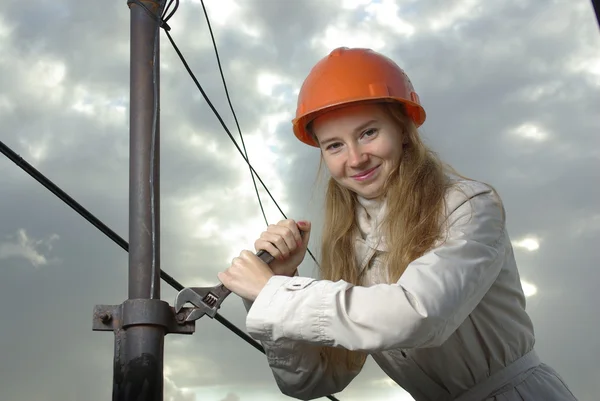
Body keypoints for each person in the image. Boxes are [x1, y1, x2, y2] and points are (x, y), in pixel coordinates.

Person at [217, 47, 578, 401]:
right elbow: (311, 382)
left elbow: (418, 316)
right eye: (334, 146)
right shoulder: (349, 245)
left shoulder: (469, 205)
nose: (355, 159)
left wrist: (275, 296)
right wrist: (280, 279)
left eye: (369, 133)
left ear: (403, 129)